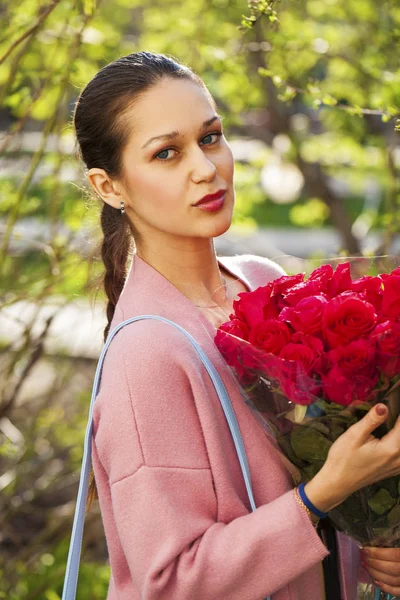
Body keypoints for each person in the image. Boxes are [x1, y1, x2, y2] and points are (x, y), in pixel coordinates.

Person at [73, 51, 400, 599]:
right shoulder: (147, 355)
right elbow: (172, 582)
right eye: (166, 153)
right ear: (110, 187)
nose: (205, 168)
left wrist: (378, 548)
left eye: (210, 137)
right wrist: (326, 490)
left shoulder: (262, 285)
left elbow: (293, 495)